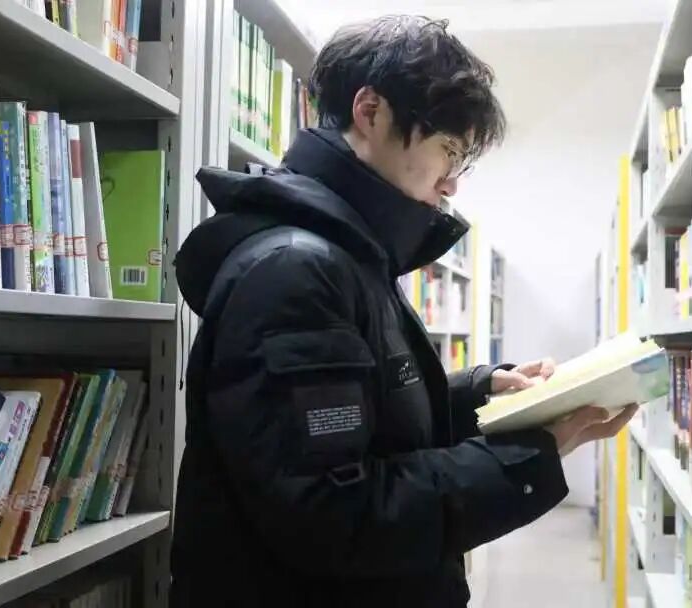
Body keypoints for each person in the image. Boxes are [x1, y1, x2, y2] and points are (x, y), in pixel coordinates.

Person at [171, 14, 638, 607]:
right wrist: (529, 455)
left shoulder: (351, 253)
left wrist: (486, 395)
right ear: (371, 113)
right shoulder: (296, 271)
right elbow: (335, 513)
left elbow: (362, 413)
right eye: (449, 151)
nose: (452, 184)